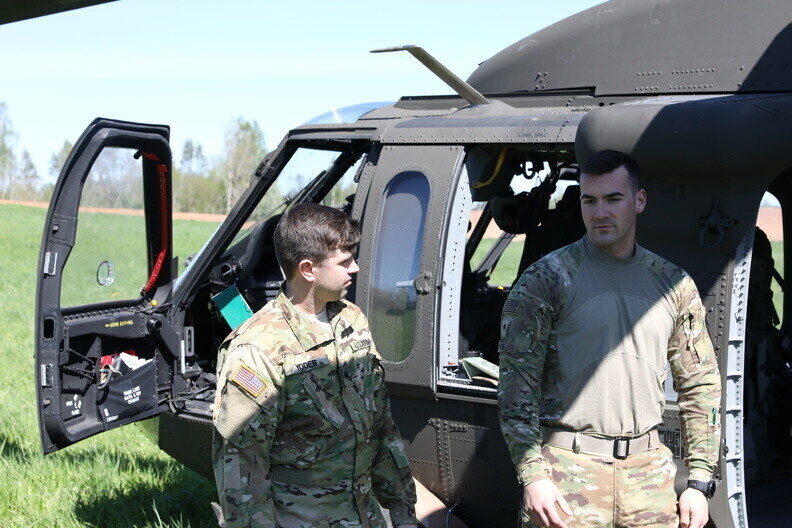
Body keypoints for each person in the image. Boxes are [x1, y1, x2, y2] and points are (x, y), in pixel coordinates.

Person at [498, 150, 722, 528]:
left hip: (650, 480)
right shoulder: (546, 280)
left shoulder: (673, 283)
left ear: (639, 200)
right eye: (590, 200)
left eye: (613, 199)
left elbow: (700, 383)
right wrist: (533, 476)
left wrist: (699, 481)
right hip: (566, 479)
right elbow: (516, 388)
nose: (600, 212)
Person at [212, 203, 420, 528]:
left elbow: (380, 425)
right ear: (308, 269)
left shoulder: (351, 319)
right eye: (345, 262)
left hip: (366, 515)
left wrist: (402, 511)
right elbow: (242, 465)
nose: (356, 268)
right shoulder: (258, 348)